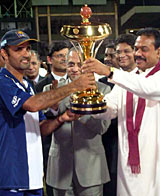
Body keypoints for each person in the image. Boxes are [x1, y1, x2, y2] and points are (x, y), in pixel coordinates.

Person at [0, 29, 96, 196]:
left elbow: (41, 127)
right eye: (18, 49)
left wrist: (62, 118)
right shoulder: (2, 81)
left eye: (28, 49)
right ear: (4, 54)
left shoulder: (27, 85)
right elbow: (32, 105)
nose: (26, 54)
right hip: (11, 176)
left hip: (33, 176)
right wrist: (74, 86)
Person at [82, 27, 160, 196]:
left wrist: (108, 71)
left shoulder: (140, 79)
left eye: (144, 49)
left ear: (159, 52)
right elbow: (110, 109)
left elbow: (146, 88)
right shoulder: (127, 80)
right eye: (137, 48)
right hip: (127, 160)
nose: (138, 54)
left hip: (155, 161)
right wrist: (92, 102)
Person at [43, 47, 111, 196]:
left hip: (91, 170)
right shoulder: (51, 89)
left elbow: (102, 127)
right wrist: (54, 109)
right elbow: (44, 123)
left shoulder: (103, 91)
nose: (74, 69)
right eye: (70, 64)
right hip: (60, 169)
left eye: (79, 65)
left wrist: (81, 112)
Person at [102, 34, 137, 196]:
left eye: (126, 51)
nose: (121, 55)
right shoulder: (119, 83)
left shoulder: (149, 78)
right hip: (118, 148)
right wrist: (94, 105)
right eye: (118, 52)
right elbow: (110, 107)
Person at [35, 40, 70, 196]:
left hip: (80, 152)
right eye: (60, 56)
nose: (65, 59)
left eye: (67, 56)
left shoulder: (79, 83)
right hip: (50, 149)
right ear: (49, 60)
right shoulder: (38, 87)